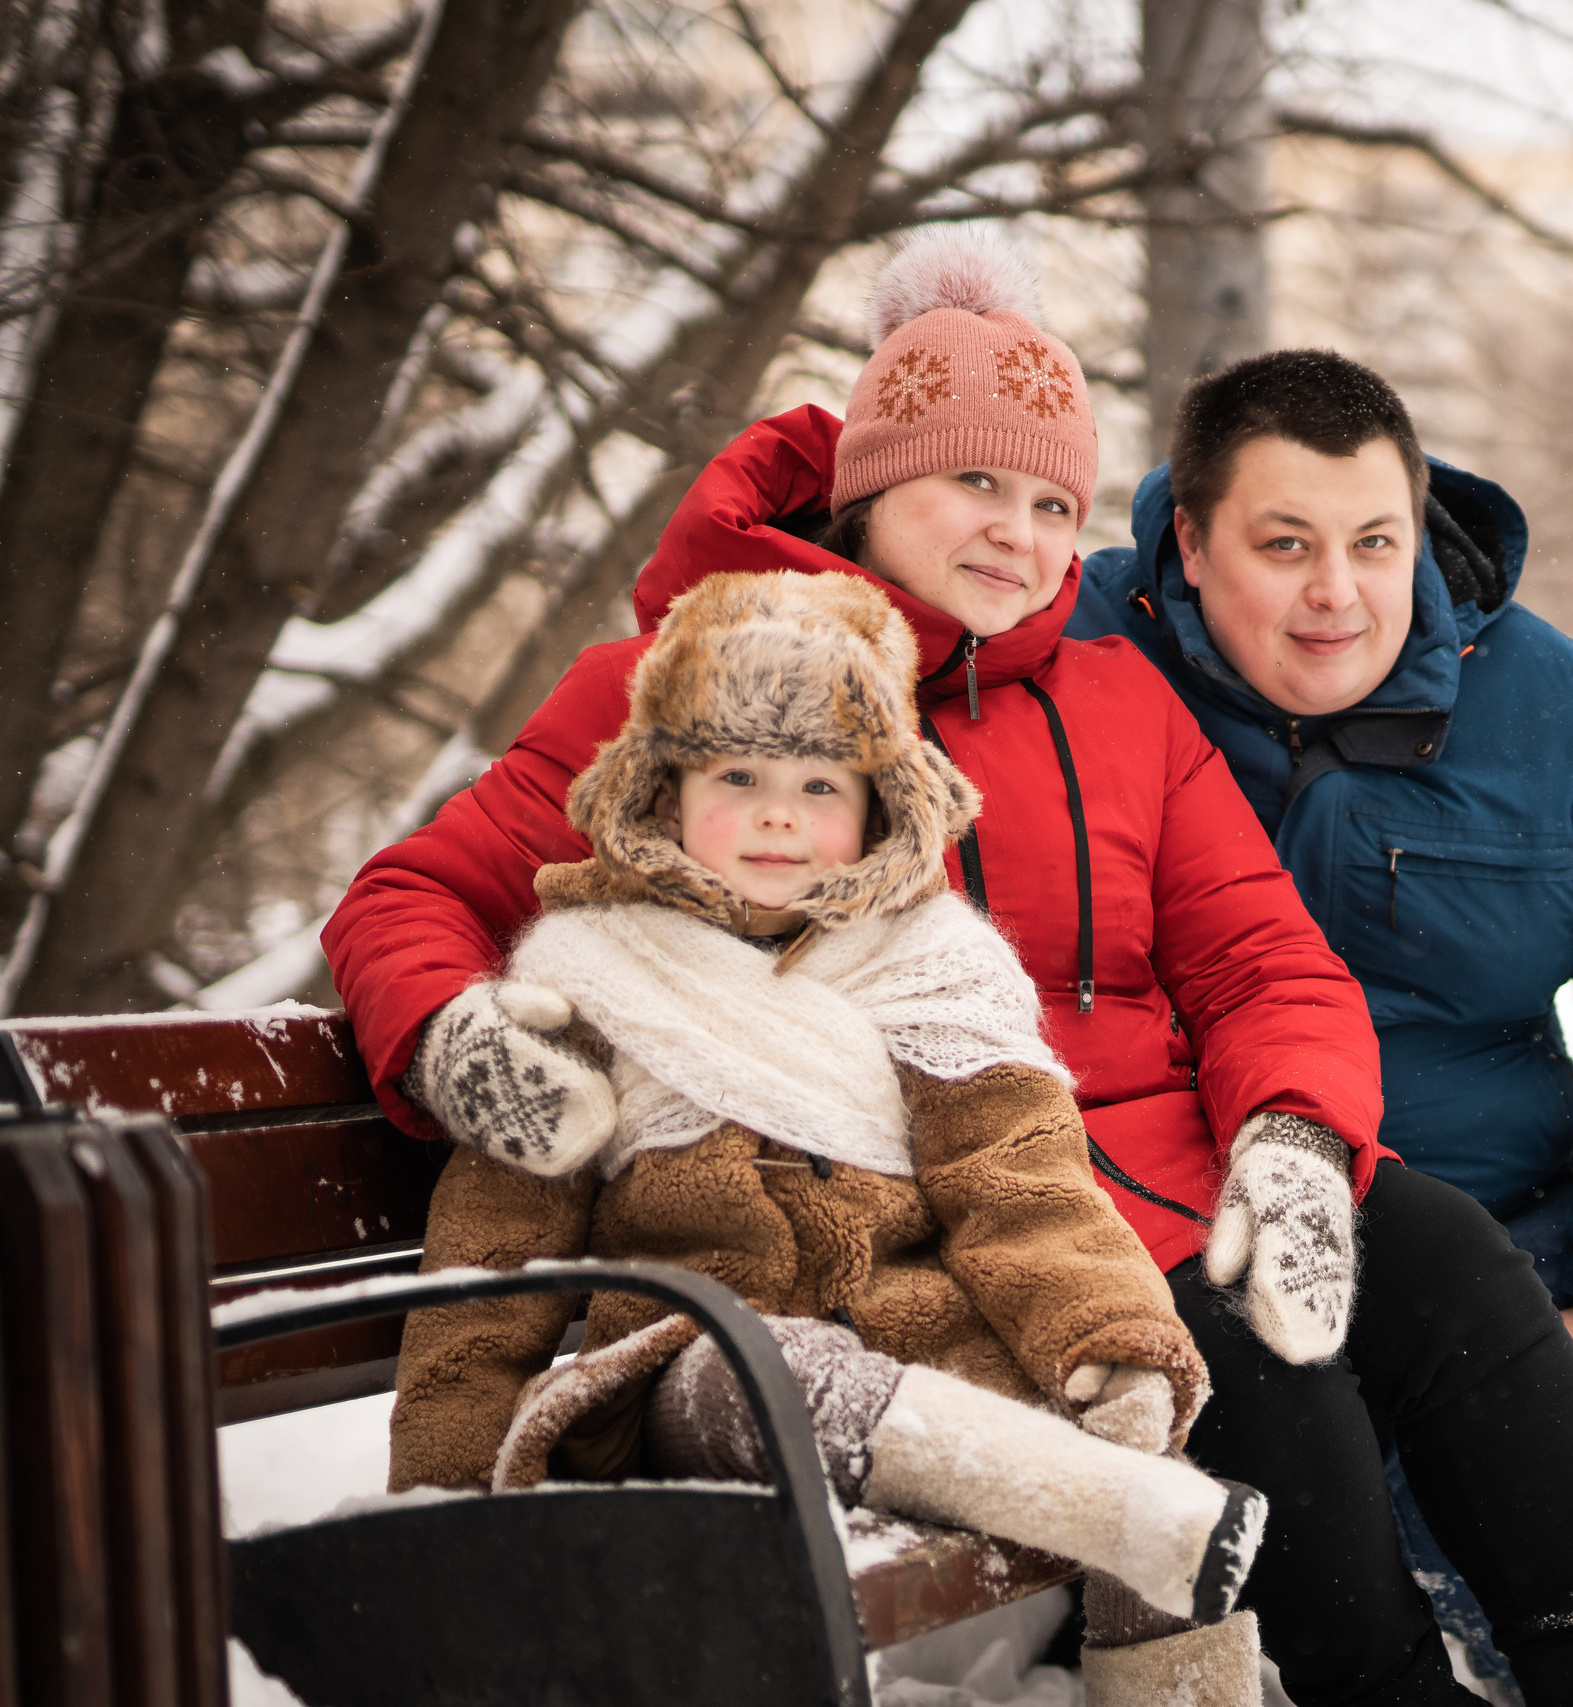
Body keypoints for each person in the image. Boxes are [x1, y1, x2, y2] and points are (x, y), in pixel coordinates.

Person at [322, 233, 1573, 1706]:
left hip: (1171, 1162)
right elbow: (412, 894)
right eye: (972, 481)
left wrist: (1294, 1139)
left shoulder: (1112, 696)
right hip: (951, 1223)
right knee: (1265, 1383)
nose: (1016, 532)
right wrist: (456, 1038)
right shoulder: (689, 686)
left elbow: (1261, 959)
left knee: (1457, 1267)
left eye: (1051, 501)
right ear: (868, 481)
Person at [1062, 351, 1573, 1705]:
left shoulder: (1554, 705)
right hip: (1181, 1230)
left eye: (1377, 540)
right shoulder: (1072, 658)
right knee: (1269, 1433)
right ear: (1187, 541)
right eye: (1284, 543)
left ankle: (1525, 1643)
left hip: (1489, 1219)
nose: (1339, 591)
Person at [382, 567, 1269, 1693]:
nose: (775, 816)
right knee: (769, 1364)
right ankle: (1117, 1508)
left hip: (937, 1372)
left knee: (1152, 1465)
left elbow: (1024, 1182)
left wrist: (1110, 1345)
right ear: (662, 790)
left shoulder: (938, 974)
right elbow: (490, 1263)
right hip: (690, 1382)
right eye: (736, 774)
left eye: (817, 783)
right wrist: (437, 1506)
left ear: (877, 810)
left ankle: (1157, 1601)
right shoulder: (589, 983)